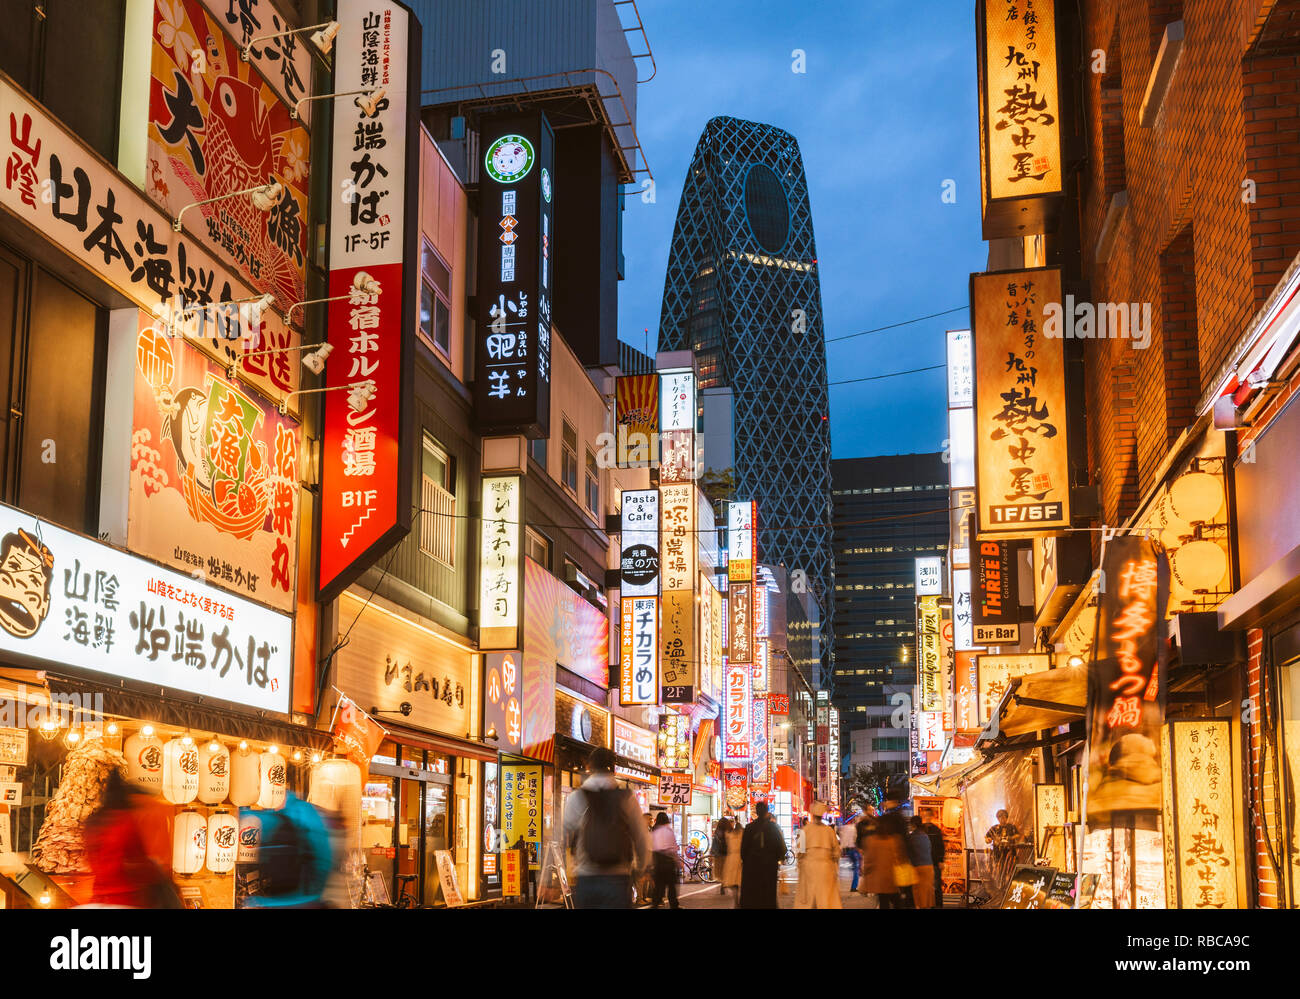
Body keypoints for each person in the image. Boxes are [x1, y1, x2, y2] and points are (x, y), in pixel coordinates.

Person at [562, 747, 650, 909]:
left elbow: (561, 834)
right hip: (617, 878)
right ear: (613, 768)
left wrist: (550, 879)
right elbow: (641, 837)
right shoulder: (627, 798)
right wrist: (641, 867)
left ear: (591, 766)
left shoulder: (577, 797)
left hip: (586, 878)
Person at [83, 770, 180, 908]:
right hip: (125, 898)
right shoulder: (126, 821)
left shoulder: (93, 821)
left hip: (99, 897)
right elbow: (137, 859)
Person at [739, 801, 786, 908]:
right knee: (767, 895)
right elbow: (782, 849)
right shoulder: (773, 828)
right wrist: (777, 859)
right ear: (766, 812)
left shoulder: (749, 828)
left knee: (753, 895)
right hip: (769, 866)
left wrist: (747, 861)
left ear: (757, 812)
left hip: (752, 867)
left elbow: (743, 850)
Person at [796, 801, 842, 909]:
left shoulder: (804, 830)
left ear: (812, 814)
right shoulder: (829, 831)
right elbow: (836, 852)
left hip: (808, 867)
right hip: (826, 867)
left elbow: (800, 852)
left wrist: (800, 864)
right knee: (825, 897)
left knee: (808, 899)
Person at [861, 810, 910, 909]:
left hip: (879, 879)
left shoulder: (871, 840)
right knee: (897, 901)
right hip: (893, 877)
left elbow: (868, 861)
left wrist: (865, 875)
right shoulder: (895, 839)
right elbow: (901, 858)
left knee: (883, 901)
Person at [649, 812, 680, 909]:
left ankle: (655, 904)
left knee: (659, 885)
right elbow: (673, 848)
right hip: (668, 861)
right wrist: (678, 861)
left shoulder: (654, 831)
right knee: (671, 886)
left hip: (658, 860)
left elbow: (651, 847)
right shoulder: (668, 831)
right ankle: (674, 905)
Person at [906, 816, 935, 909]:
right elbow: (929, 849)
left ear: (913, 824)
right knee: (928, 890)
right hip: (929, 866)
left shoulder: (911, 837)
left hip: (917, 866)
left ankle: (919, 906)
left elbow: (909, 852)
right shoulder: (925, 835)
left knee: (918, 890)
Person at [922, 817, 946, 908]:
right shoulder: (923, 830)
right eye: (925, 815)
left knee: (936, 885)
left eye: (928, 815)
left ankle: (938, 905)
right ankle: (931, 904)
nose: (926, 817)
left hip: (934, 862)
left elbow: (941, 846)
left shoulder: (936, 830)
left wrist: (941, 860)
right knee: (929, 885)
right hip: (926, 862)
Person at [838, 817, 861, 893]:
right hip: (854, 850)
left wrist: (841, 849)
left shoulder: (846, 828)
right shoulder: (855, 829)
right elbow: (856, 839)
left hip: (848, 850)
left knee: (856, 867)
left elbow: (843, 839)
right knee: (856, 868)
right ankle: (854, 887)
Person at [722, 817, 744, 896]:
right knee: (739, 878)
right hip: (740, 857)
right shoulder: (742, 834)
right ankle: (738, 896)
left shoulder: (729, 834)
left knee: (731, 878)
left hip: (731, 858)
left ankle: (735, 897)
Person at [711, 818, 731, 895]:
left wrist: (713, 852)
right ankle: (725, 884)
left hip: (719, 855)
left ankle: (723, 885)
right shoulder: (729, 831)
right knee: (727, 871)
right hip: (727, 855)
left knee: (721, 872)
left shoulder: (717, 832)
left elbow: (714, 844)